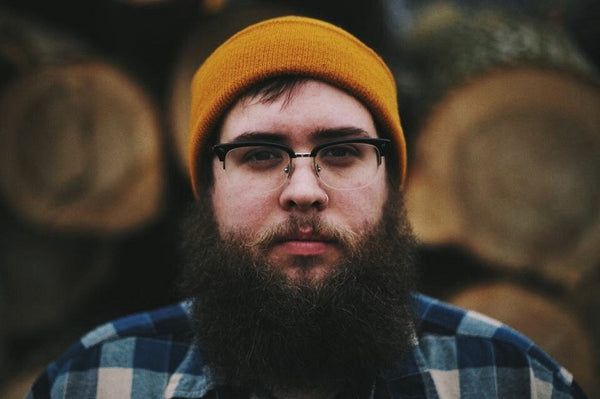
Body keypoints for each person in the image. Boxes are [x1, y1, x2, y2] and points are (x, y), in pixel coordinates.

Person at [27, 16, 587, 399]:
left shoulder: (511, 379)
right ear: (207, 189)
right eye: (260, 154)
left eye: (342, 152)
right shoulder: (96, 379)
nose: (303, 189)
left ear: (393, 185)